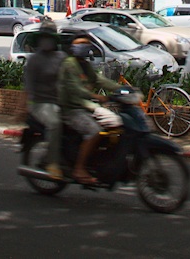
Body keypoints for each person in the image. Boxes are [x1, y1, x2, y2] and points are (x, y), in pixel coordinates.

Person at [58, 37, 121, 185]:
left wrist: (121, 89)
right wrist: (95, 96)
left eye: (86, 44)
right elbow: (75, 88)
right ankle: (79, 169)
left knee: (113, 124)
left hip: (85, 106)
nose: (84, 47)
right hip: (71, 108)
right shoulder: (69, 65)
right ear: (73, 48)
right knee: (93, 131)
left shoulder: (84, 65)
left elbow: (99, 80)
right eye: (80, 44)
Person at [23, 19, 66, 179]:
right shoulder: (34, 60)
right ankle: (52, 163)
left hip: (60, 102)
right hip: (40, 104)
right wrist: (23, 108)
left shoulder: (62, 57)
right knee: (55, 124)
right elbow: (28, 87)